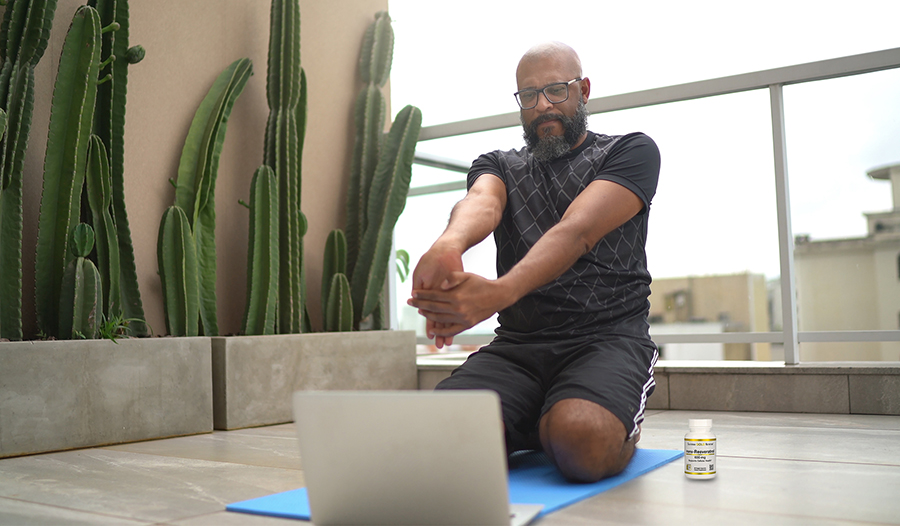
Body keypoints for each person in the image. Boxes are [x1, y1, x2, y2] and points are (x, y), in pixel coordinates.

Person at [407, 41, 661, 484]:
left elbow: (576, 231)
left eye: (556, 90)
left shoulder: (631, 151)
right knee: (431, 436)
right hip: (519, 348)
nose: (543, 106)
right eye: (529, 95)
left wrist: (497, 292)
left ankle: (576, 419)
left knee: (580, 439)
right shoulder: (499, 165)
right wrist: (448, 246)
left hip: (607, 340)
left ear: (583, 90)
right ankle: (533, 418)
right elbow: (481, 204)